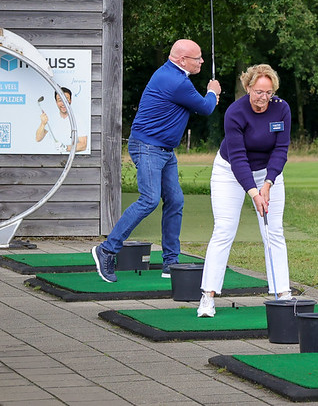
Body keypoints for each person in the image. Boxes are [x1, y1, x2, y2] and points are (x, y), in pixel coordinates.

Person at [92, 39, 221, 282]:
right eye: (197, 58)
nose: (202, 61)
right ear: (182, 60)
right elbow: (205, 108)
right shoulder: (176, 81)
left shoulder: (174, 75)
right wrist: (213, 91)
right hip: (148, 147)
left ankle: (170, 262)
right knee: (149, 199)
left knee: (175, 200)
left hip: (164, 150)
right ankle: (107, 249)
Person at [197, 64, 292, 317]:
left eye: (268, 92)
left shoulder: (281, 108)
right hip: (230, 171)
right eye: (259, 91)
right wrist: (254, 193)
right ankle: (207, 296)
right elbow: (238, 158)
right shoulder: (235, 112)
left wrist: (268, 184)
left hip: (268, 174)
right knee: (224, 229)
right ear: (248, 87)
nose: (263, 98)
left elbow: (280, 150)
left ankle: (283, 294)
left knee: (274, 231)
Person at [35, 87, 88, 153]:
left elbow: (83, 145)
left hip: (72, 159)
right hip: (52, 160)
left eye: (66, 100)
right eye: (60, 100)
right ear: (56, 102)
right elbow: (38, 138)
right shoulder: (52, 118)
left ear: (70, 101)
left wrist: (65, 148)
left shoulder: (78, 120)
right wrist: (42, 124)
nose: (63, 104)